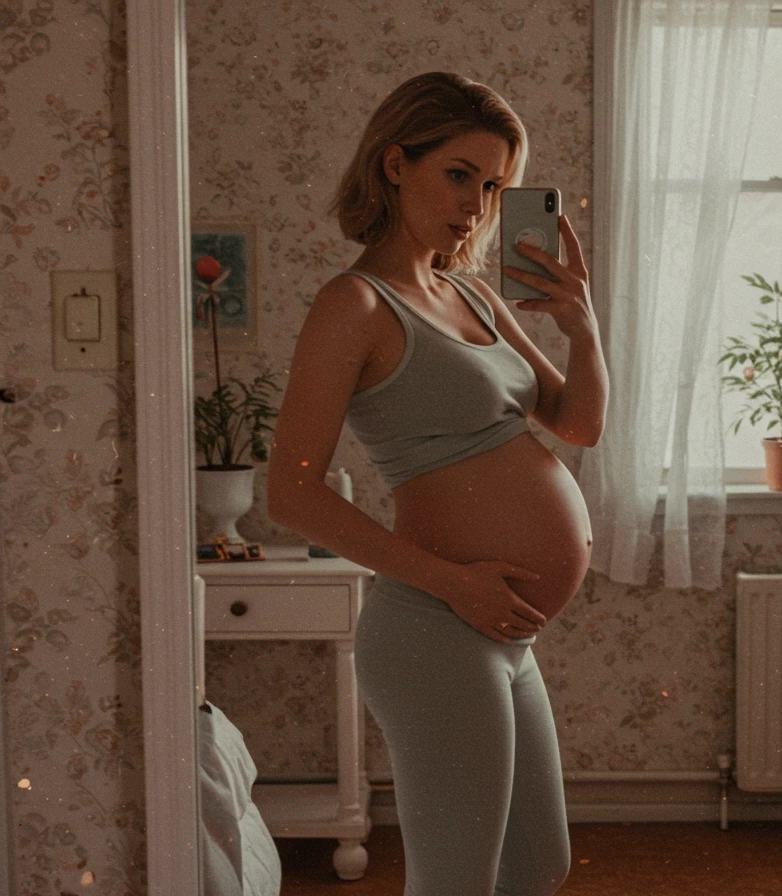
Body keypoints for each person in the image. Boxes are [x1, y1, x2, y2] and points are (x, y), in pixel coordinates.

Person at [265, 71, 609, 896]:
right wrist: (455, 584)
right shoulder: (354, 304)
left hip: (503, 634)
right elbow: (292, 494)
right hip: (435, 628)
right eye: (459, 174)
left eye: (493, 186)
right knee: (456, 879)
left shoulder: (473, 294)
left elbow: (575, 425)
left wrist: (583, 326)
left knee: (538, 865)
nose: (477, 205)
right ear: (395, 164)